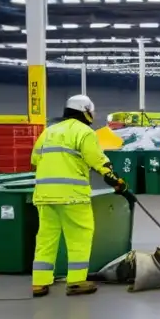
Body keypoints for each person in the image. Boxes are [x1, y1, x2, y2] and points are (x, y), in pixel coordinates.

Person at [30, 95, 128, 298]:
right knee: (79, 237)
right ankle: (76, 281)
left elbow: (34, 159)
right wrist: (114, 179)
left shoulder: (48, 132)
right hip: (72, 196)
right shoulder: (84, 132)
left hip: (45, 195)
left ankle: (39, 283)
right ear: (85, 111)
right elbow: (97, 159)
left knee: (46, 239)